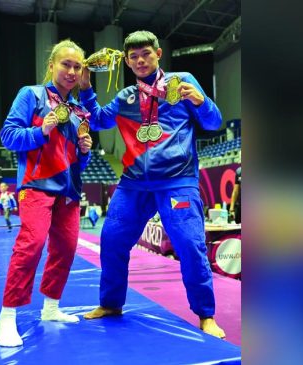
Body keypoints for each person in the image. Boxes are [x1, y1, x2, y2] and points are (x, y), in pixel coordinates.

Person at [78, 30, 226, 338]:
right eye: (133, 57)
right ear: (128, 63)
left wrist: (202, 101)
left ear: (158, 54)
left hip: (177, 182)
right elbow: (98, 121)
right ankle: (111, 303)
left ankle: (205, 315)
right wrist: (85, 88)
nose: (140, 60)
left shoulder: (181, 82)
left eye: (145, 54)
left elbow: (213, 123)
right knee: (112, 239)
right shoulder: (126, 97)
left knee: (189, 245)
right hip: (133, 184)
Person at [0, 39, 93, 347]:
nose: (72, 71)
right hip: (36, 185)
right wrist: (41, 132)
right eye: (66, 64)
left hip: (69, 191)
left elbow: (78, 159)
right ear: (51, 65)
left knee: (65, 248)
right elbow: (8, 135)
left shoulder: (80, 110)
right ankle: (8, 316)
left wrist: (85, 150)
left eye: (77, 66)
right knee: (32, 243)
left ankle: (51, 307)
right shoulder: (31, 95)